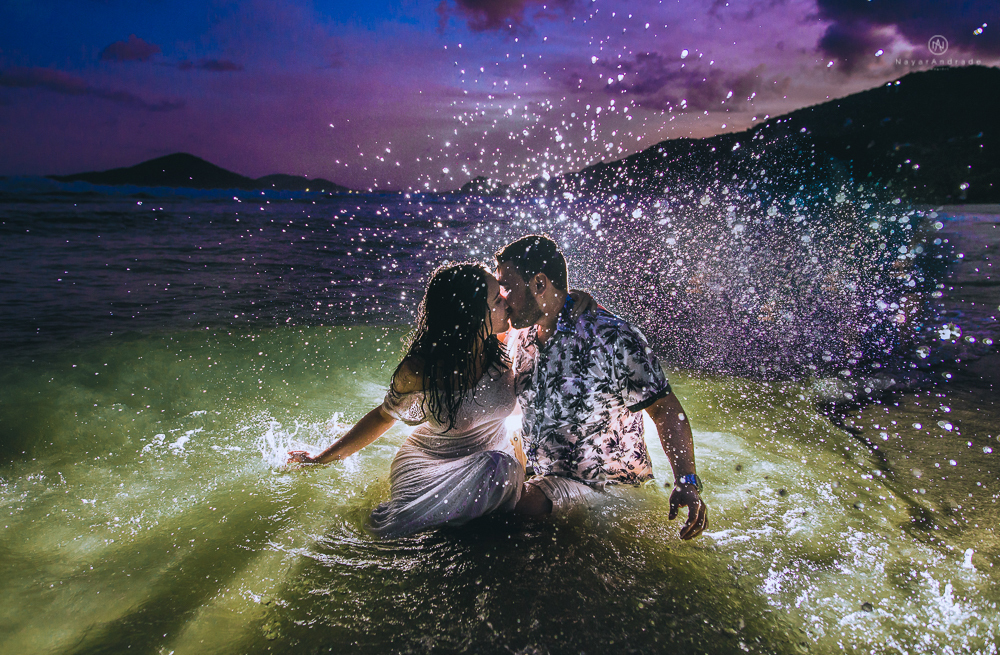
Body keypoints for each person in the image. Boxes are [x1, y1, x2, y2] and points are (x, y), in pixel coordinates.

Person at [287, 262, 593, 538]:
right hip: (431, 463)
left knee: (503, 469)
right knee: (501, 471)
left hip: (489, 460)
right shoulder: (422, 368)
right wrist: (321, 459)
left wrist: (573, 300)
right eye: (497, 300)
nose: (508, 303)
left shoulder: (503, 339)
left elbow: (548, 312)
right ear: (472, 315)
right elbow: (382, 417)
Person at [496, 235, 709, 540]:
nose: (503, 298)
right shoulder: (522, 334)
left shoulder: (612, 337)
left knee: (513, 507)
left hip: (606, 488)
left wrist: (686, 481)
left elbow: (664, 409)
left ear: (539, 284)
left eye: (508, 287)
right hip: (546, 479)